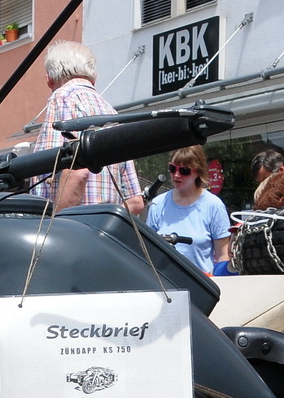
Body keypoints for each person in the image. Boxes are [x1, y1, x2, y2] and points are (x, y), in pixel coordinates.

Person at [31, 41, 146, 215]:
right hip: (102, 236)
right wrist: (104, 220)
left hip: (71, 232)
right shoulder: (111, 113)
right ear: (94, 76)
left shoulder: (62, 100)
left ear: (49, 78)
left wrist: (57, 225)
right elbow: (136, 201)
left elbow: (76, 172)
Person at [147, 145, 232, 275]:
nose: (176, 175)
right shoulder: (158, 204)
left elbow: (223, 256)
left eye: (184, 171)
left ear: (198, 172)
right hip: (164, 283)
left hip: (201, 285)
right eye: (172, 168)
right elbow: (148, 251)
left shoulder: (214, 205)